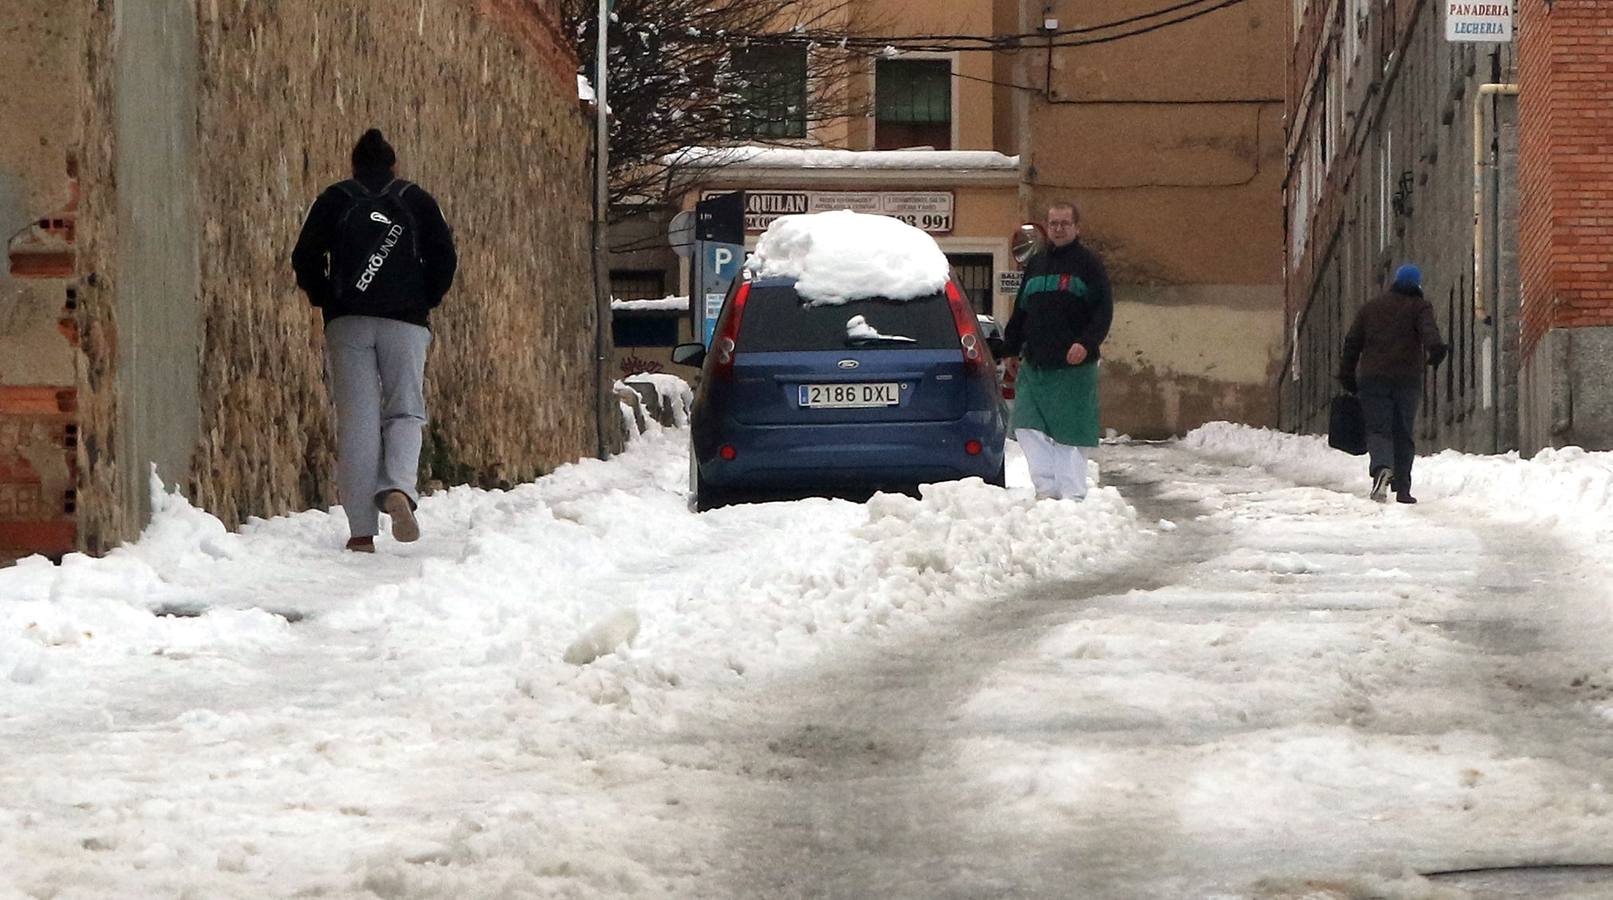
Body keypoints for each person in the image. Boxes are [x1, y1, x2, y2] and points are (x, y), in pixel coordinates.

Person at [292, 129, 457, 551]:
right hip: (405, 322)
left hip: (348, 322)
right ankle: (398, 487)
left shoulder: (335, 200)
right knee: (405, 410)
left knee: (358, 422)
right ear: (393, 164)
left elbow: (305, 256)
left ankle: (362, 533)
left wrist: (326, 299)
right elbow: (444, 256)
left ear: (354, 164)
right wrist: (425, 299)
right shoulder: (416, 200)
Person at [1000, 201, 1114, 501]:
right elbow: (1021, 311)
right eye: (1053, 224)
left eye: (1065, 223)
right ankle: (1047, 490)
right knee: (1025, 425)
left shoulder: (1089, 265)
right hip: (1035, 364)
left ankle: (1072, 496)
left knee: (1069, 434)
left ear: (1077, 228)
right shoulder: (1036, 264)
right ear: (1047, 228)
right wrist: (1011, 349)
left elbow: (1103, 311)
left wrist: (1086, 343)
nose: (1059, 229)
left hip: (1073, 367)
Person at [1337, 263, 1446, 504]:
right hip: (1407, 379)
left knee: (1378, 429)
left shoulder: (1371, 308)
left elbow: (1352, 342)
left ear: (1395, 282)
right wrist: (1436, 350)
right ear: (1417, 284)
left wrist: (1346, 375)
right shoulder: (1420, 306)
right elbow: (1429, 331)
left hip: (1373, 379)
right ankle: (1404, 489)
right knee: (1403, 431)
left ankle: (1382, 468)